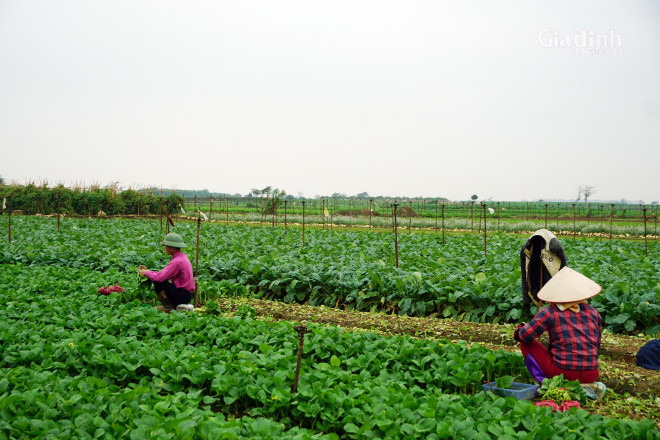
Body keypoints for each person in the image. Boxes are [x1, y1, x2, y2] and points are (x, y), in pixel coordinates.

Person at [514, 267, 606, 399]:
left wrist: (519, 330)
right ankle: (587, 387)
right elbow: (596, 345)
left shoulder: (550, 312)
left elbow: (525, 335)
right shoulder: (594, 313)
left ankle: (552, 385)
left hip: (563, 372)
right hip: (591, 373)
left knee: (525, 343)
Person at [139, 232, 195, 312]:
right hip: (185, 294)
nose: (165, 248)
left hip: (182, 295)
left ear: (173, 247)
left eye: (166, 246)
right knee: (160, 279)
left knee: (158, 282)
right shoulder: (182, 256)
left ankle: (170, 307)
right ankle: (179, 306)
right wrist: (148, 271)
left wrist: (145, 273)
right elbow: (163, 274)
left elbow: (160, 277)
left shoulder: (177, 261)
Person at [520, 229, 567, 311]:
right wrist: (526, 301)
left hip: (552, 265)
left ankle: (553, 309)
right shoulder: (525, 249)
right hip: (535, 265)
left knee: (553, 288)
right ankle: (542, 308)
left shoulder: (555, 245)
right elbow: (525, 276)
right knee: (535, 285)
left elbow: (565, 266)